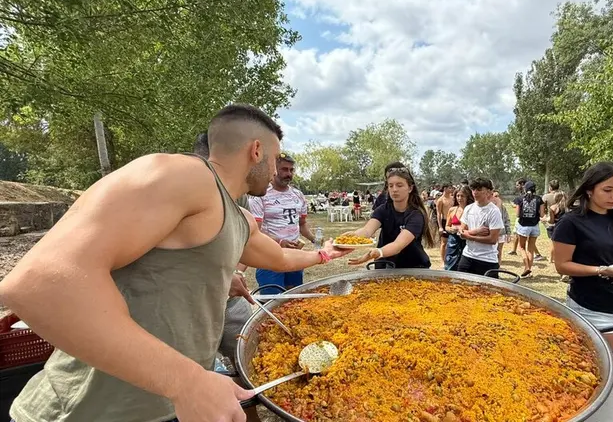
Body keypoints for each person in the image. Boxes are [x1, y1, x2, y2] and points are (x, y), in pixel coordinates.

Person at [0, 104, 352, 422]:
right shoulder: (184, 175)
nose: (277, 169)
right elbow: (39, 282)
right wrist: (188, 382)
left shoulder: (238, 216)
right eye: (275, 159)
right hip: (87, 410)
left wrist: (325, 253)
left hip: (165, 407)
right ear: (256, 151)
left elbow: (279, 256)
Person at [552, 162, 613, 379]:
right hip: (592, 308)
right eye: (608, 190)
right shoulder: (571, 222)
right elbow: (562, 265)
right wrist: (603, 271)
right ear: (589, 189)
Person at [192, 131, 255, 364]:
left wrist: (235, 272)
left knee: (247, 357)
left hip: (230, 304)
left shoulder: (238, 194)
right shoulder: (177, 193)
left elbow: (248, 243)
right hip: (191, 310)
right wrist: (219, 278)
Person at [249, 153, 317, 296]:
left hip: (294, 255)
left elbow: (302, 224)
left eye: (291, 170)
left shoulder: (298, 195)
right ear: (274, 169)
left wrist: (314, 239)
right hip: (269, 256)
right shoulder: (261, 194)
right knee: (272, 301)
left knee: (294, 299)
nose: (288, 174)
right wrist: (279, 242)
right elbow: (255, 230)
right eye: (284, 169)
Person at [344, 166, 436, 268]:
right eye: (390, 186)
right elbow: (367, 230)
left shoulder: (416, 215)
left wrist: (378, 252)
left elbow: (397, 245)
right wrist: (354, 235)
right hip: (385, 265)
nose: (394, 189)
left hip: (413, 268)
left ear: (410, 188)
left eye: (399, 185)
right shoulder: (383, 210)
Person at [457, 177, 504, 277]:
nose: (475, 192)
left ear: (488, 192)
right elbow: (460, 232)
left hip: (486, 260)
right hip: (467, 256)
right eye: (473, 189)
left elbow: (492, 239)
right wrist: (475, 231)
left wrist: (469, 236)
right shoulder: (468, 208)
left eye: (479, 189)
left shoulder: (493, 211)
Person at [514, 181, 546, 277]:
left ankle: (526, 267)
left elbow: (517, 214)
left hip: (523, 226)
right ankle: (528, 271)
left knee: (522, 247)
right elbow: (541, 214)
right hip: (534, 226)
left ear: (525, 188)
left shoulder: (520, 198)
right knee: (530, 249)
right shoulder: (539, 199)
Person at [444, 185, 474, 271]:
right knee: (449, 267)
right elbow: (447, 226)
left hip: (466, 241)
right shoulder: (452, 210)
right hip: (453, 242)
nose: (460, 198)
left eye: (462, 196)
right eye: (458, 195)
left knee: (464, 268)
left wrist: (464, 230)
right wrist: (451, 229)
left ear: (468, 196)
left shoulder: (472, 210)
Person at [436, 184, 456, 265]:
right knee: (444, 242)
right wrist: (440, 226)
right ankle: (443, 261)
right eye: (449, 188)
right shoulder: (440, 200)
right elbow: (438, 213)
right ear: (445, 188)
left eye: (451, 188)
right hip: (444, 221)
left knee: (452, 241)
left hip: (452, 221)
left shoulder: (452, 198)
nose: (451, 189)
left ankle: (450, 259)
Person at [491, 190, 512, 263]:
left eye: (498, 196)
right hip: (492, 233)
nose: (498, 198)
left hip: (501, 233)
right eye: (495, 196)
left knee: (499, 252)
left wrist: (508, 233)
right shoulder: (489, 208)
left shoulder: (503, 208)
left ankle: (498, 267)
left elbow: (507, 220)